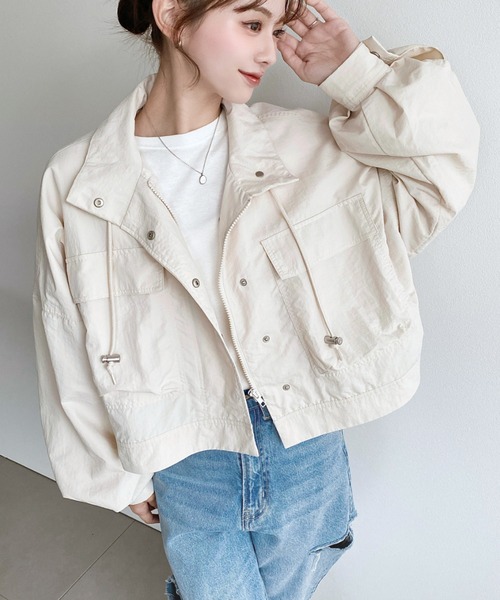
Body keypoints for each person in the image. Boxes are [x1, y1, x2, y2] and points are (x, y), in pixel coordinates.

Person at [32, 0, 479, 597]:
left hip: (306, 445)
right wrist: (116, 477)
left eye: (274, 28)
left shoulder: (306, 145)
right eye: (251, 24)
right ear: (172, 14)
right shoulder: (77, 180)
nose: (269, 50)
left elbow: (439, 173)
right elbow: (64, 336)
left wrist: (354, 73)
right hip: (189, 456)